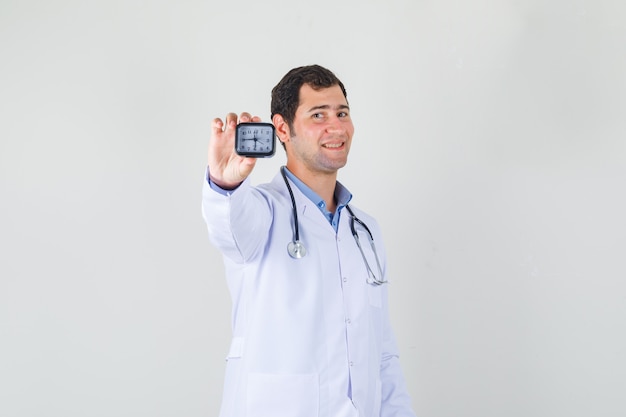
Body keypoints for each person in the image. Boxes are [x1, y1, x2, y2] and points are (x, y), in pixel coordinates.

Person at [202, 64, 416, 417]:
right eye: (318, 115)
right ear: (282, 129)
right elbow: (228, 227)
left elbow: (382, 353)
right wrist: (224, 185)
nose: (336, 127)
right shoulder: (261, 212)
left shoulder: (365, 231)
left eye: (342, 113)